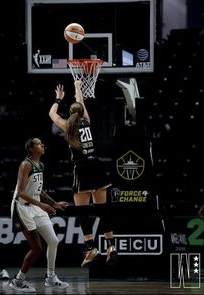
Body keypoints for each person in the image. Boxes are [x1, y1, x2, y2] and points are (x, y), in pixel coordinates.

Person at [49, 81, 118, 268]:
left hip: (82, 169)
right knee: (103, 210)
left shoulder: (67, 126)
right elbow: (80, 102)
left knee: (83, 212)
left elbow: (51, 114)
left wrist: (58, 99)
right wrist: (78, 86)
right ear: (81, 112)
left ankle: (91, 247)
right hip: (97, 166)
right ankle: (111, 246)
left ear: (71, 113)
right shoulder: (86, 121)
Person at [9, 137, 69, 293]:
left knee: (54, 241)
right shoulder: (25, 164)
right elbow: (21, 192)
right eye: (38, 143)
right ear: (30, 149)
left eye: (42, 142)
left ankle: (51, 278)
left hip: (36, 206)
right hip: (21, 207)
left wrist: (54, 203)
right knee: (36, 248)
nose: (42, 144)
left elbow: (38, 190)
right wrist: (43, 205)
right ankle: (18, 281)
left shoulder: (40, 164)